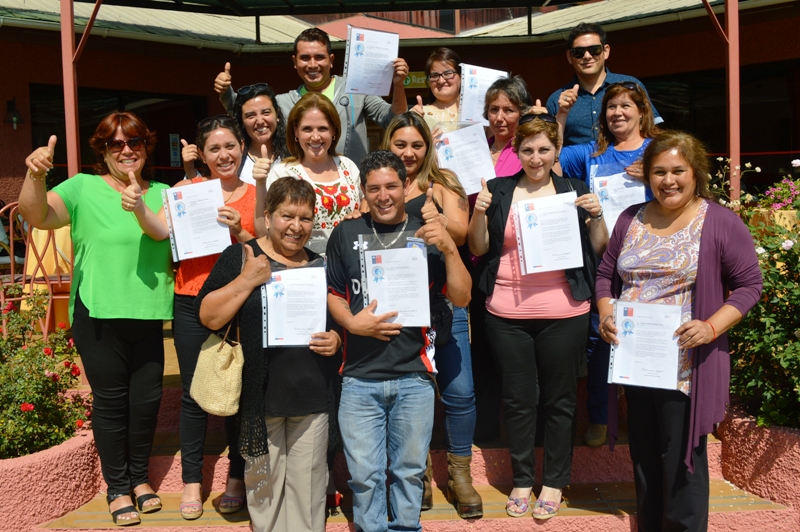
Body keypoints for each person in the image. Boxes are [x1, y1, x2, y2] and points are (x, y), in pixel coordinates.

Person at [596, 131, 762, 532]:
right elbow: (605, 276)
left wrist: (710, 326)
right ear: (647, 176)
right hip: (637, 361)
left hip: (686, 365)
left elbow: (749, 286)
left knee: (682, 459)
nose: (668, 180)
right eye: (659, 172)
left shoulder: (719, 221)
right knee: (646, 458)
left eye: (677, 171)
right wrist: (605, 313)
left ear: (695, 172)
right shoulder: (629, 218)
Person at [19, 112, 173, 526]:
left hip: (148, 311)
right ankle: (118, 487)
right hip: (97, 311)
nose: (126, 150)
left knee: (146, 402)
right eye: (115, 144)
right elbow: (36, 216)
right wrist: (34, 176)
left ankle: (140, 480)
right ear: (102, 151)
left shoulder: (165, 191)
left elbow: (169, 236)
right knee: (111, 403)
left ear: (146, 146)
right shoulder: (82, 187)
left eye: (135, 142)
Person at [468, 114, 608, 519]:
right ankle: (523, 479)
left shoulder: (574, 190)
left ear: (556, 151)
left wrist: (597, 215)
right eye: (527, 149)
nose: (535, 157)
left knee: (560, 400)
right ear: (516, 151)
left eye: (544, 149)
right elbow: (479, 247)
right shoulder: (497, 190)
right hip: (505, 311)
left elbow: (599, 248)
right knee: (518, 400)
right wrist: (479, 212)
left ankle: (555, 481)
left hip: (565, 311)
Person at [326, 150, 472, 532]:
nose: (384, 195)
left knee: (409, 473)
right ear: (364, 192)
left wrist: (450, 247)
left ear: (406, 187)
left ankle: (407, 529)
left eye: (392, 185)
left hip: (414, 375)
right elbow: (333, 294)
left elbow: (462, 297)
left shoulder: (427, 234)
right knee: (364, 476)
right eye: (374, 188)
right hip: (358, 376)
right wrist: (352, 325)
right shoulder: (346, 233)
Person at [197, 176, 342, 532]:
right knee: (263, 493)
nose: (296, 227)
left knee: (308, 493)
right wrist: (248, 279)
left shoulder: (321, 264)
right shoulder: (242, 256)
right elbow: (208, 316)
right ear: (268, 214)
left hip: (312, 398)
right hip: (261, 401)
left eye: (305, 218)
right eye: (287, 216)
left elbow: (339, 319)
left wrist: (337, 339)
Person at [381, 113, 480, 517]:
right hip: (398, 309)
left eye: (416, 145)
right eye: (400, 144)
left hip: (444, 305)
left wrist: (434, 218)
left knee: (460, 392)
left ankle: (460, 476)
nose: (408, 152)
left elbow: (463, 233)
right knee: (408, 395)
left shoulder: (444, 183)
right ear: (388, 144)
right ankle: (417, 473)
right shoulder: (378, 184)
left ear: (428, 148)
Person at [555, 80, 661, 447]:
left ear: (641, 111)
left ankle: (647, 415)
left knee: (649, 336)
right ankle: (600, 416)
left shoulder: (656, 151)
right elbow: (550, 160)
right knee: (602, 340)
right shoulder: (590, 153)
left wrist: (652, 170)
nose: (617, 112)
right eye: (612, 107)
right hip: (600, 262)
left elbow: (684, 179)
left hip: (648, 264)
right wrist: (562, 116)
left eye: (625, 106)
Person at [173, 115, 256, 520]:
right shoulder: (187, 191)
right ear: (201, 155)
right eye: (214, 149)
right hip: (190, 299)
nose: (223, 155)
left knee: (238, 391)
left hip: (238, 302)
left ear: (242, 147)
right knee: (192, 394)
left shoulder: (258, 195)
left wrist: (241, 231)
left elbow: (266, 255)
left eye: (230, 146)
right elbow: (160, 233)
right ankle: (192, 480)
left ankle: (236, 478)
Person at [215, 27, 409, 166]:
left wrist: (398, 85)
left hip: (353, 188)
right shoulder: (284, 103)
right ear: (294, 61)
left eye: (319, 57)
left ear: (331, 60)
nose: (313, 64)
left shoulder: (355, 90)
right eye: (305, 58)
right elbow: (245, 114)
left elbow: (393, 119)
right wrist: (226, 91)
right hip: (303, 192)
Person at [264, 92, 363, 255]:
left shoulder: (348, 165)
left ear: (333, 130)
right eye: (307, 129)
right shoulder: (281, 172)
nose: (315, 137)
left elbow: (365, 203)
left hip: (349, 261)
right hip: (302, 265)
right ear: (296, 131)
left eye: (323, 128)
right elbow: (268, 226)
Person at [545, 22, 663, 147]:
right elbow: (549, 148)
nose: (587, 56)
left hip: (629, 164)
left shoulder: (631, 86)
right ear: (569, 56)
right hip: (578, 165)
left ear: (606, 51)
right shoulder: (557, 100)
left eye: (594, 50)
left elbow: (653, 131)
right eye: (579, 52)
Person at [485, 76, 532, 177]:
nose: (499, 118)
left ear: (522, 114)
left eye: (508, 110)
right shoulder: (479, 148)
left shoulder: (529, 151)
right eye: (494, 109)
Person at [411, 47, 463, 134]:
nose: (441, 81)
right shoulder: (420, 114)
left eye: (448, 73)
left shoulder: (478, 111)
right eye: (434, 75)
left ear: (461, 76)